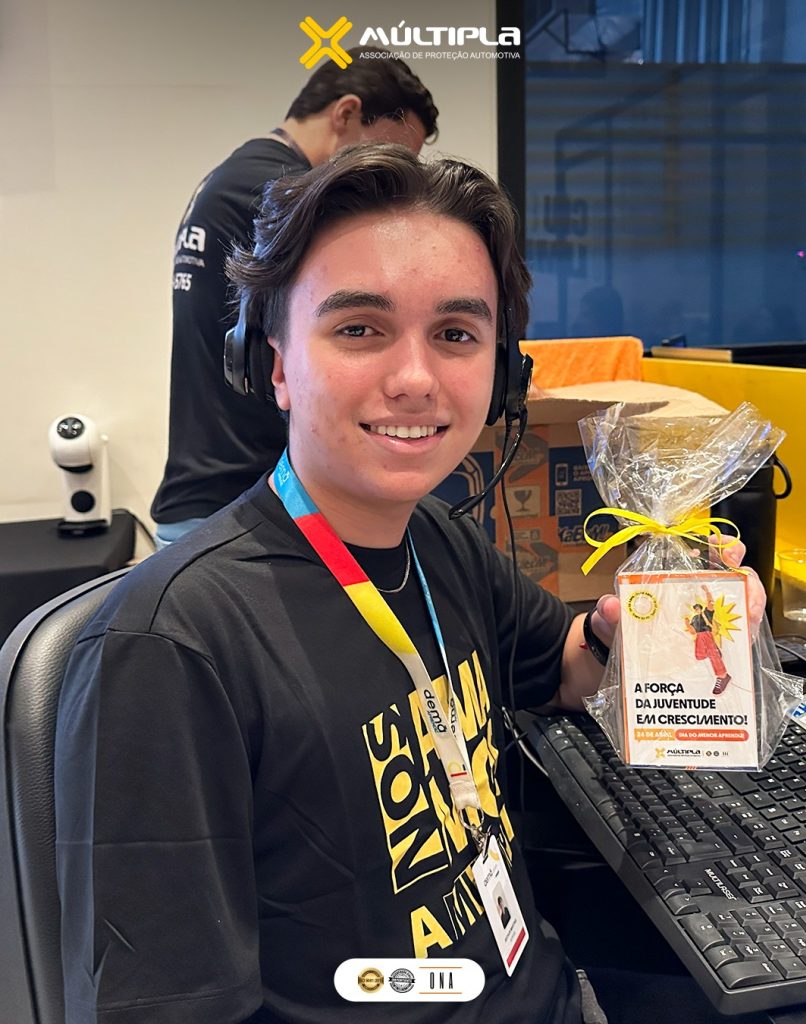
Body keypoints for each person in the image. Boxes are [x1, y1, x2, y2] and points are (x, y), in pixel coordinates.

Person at [55, 145, 762, 1024]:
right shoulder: (169, 649)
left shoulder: (436, 539)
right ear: (275, 365)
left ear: (501, 373)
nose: (416, 380)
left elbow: (563, 668)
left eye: (456, 334)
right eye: (359, 329)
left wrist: (640, 634)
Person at [149, 48, 439, 545]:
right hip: (237, 511)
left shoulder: (235, 177)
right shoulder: (282, 193)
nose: (387, 183)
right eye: (387, 157)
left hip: (210, 496)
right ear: (346, 113)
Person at [684, 585, 731, 694]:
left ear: (701, 608)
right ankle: (715, 652)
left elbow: (710, 603)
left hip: (707, 634)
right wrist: (687, 623)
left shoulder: (706, 613)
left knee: (712, 654)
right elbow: (693, 631)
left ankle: (722, 675)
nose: (697, 609)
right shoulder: (694, 618)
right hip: (699, 637)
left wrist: (707, 591)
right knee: (699, 655)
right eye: (695, 608)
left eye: (698, 608)